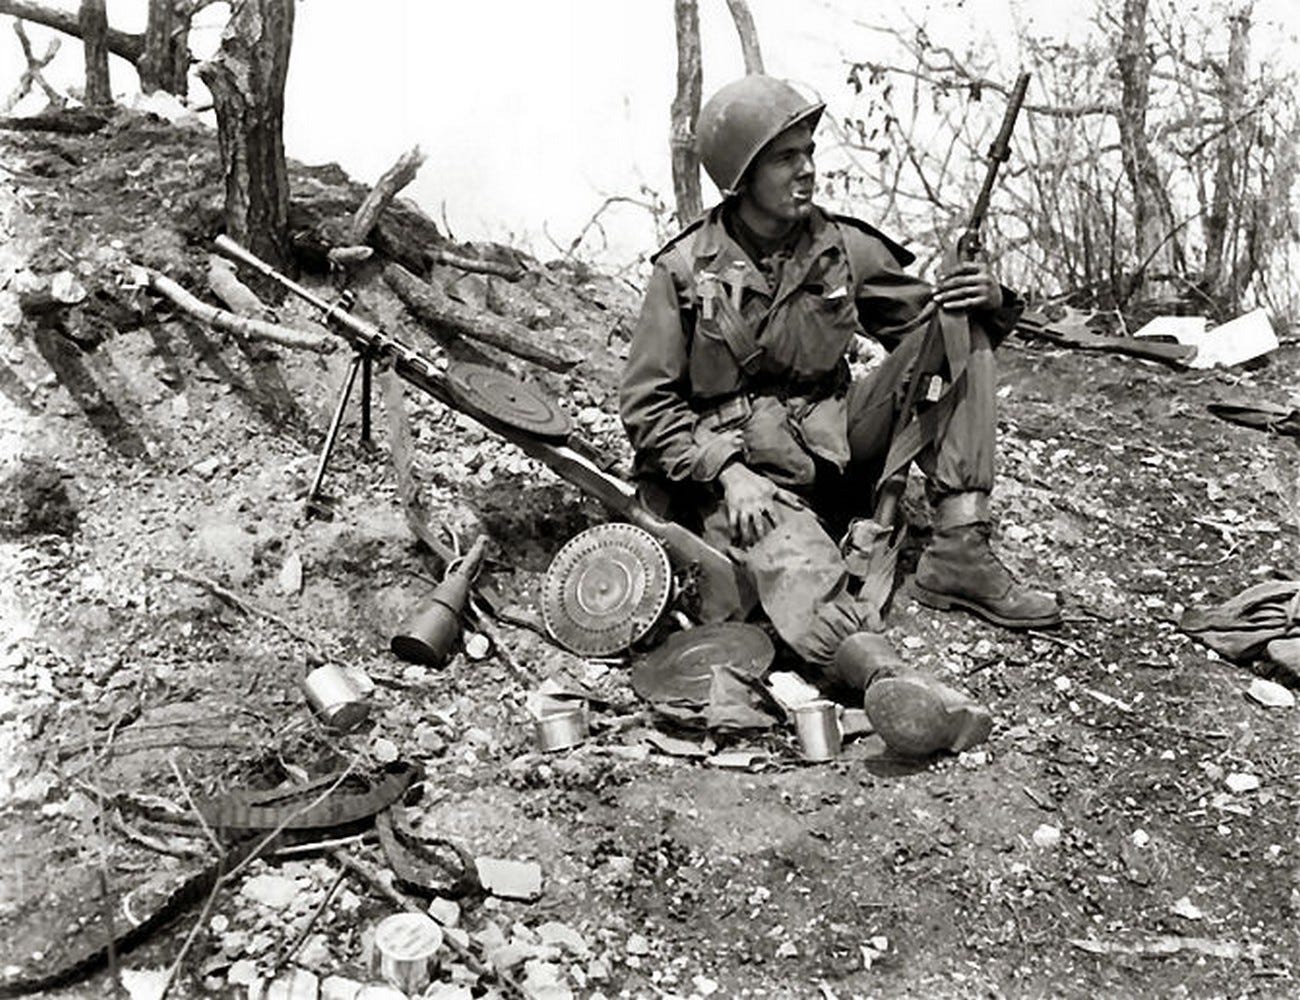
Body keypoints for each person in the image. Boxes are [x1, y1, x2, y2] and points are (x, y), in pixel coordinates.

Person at [619, 75, 1061, 756]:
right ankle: (887, 678)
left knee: (960, 327)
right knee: (789, 554)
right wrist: (727, 471)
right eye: (785, 158)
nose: (807, 171)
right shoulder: (684, 271)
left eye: (808, 152)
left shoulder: (840, 247)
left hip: (836, 442)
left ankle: (960, 551)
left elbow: (931, 333)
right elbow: (647, 405)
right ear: (741, 176)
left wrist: (987, 296)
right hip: (748, 474)